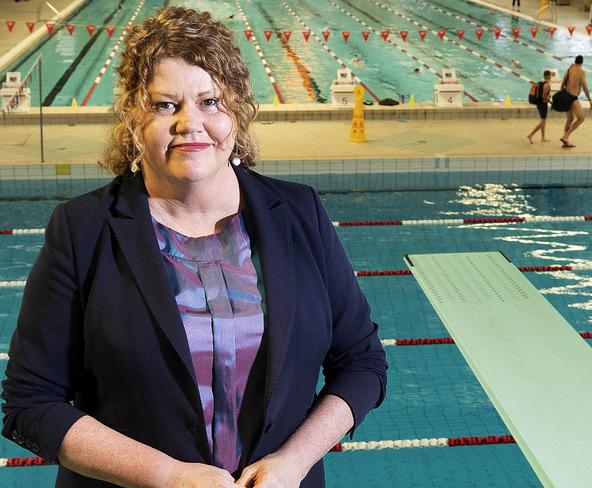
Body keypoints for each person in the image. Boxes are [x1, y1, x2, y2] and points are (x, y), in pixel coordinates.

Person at [1, 7, 388, 488]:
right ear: (133, 117)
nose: (190, 123)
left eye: (210, 101)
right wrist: (165, 476)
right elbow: (31, 404)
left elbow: (361, 362)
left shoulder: (299, 212)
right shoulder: (82, 229)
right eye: (165, 105)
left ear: (236, 110)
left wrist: (294, 461)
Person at [560, 55, 592, 148]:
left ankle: (565, 143)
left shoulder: (569, 69)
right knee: (581, 118)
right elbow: (585, 87)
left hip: (566, 96)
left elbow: (562, 84)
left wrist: (562, 97)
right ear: (582, 63)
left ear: (575, 61)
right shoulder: (581, 72)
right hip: (573, 98)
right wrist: (590, 100)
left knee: (569, 119)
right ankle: (565, 137)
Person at [527, 70, 552, 144]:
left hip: (538, 103)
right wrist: (551, 102)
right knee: (543, 122)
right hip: (543, 104)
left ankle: (543, 138)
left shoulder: (540, 82)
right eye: (550, 75)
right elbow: (544, 96)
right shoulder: (547, 84)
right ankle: (530, 135)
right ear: (549, 76)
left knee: (543, 121)